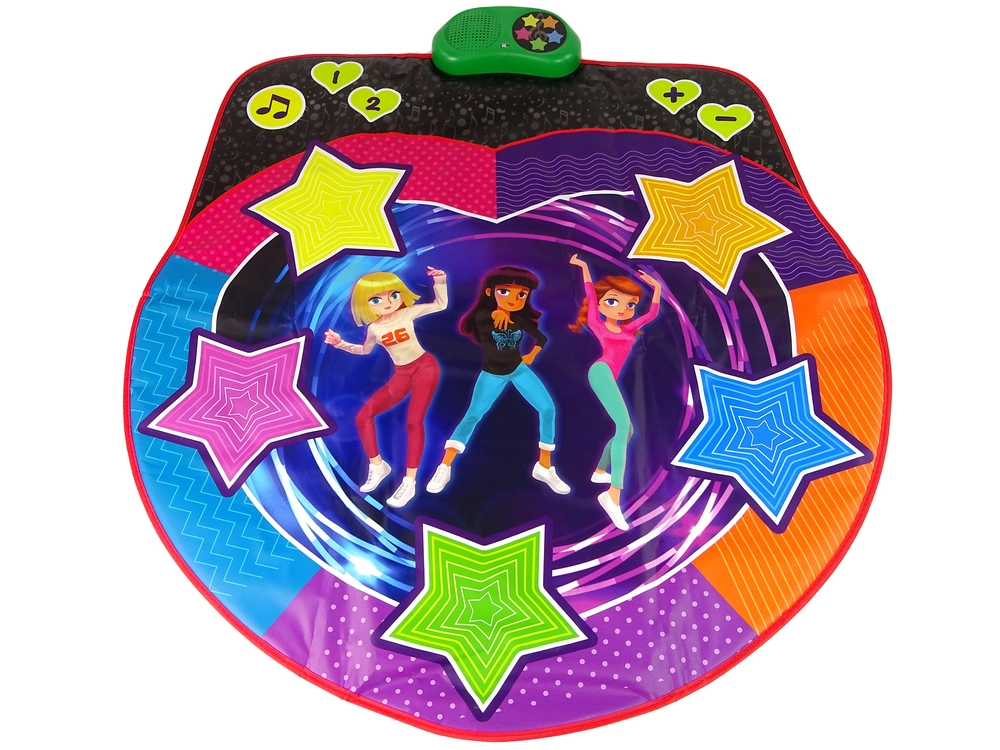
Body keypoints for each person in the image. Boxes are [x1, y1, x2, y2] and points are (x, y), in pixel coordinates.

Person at [426, 266, 569, 496]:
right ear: (490, 292)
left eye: (521, 294)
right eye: (505, 291)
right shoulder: (483, 316)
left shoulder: (518, 318)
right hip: (492, 374)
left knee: (548, 408)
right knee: (473, 415)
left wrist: (531, 355)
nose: (514, 299)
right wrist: (496, 313)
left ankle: (544, 466)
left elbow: (541, 338)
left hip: (518, 370)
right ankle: (445, 466)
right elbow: (487, 317)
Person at [324, 267, 447, 508]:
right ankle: (378, 465)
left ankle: (409, 481)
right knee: (363, 416)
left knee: (413, 422)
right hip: (402, 374)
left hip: (425, 367)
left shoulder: (408, 313)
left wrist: (440, 281)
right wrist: (341, 344)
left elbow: (440, 305)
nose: (387, 303)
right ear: (365, 304)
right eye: (376, 299)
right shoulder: (374, 328)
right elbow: (365, 350)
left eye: (393, 295)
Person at [568, 254, 661, 530]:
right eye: (613, 302)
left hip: (609, 375)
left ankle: (600, 470)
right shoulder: (598, 324)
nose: (622, 309)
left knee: (627, 430)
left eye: (630, 304)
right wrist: (583, 268)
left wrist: (656, 288)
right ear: (601, 305)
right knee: (623, 426)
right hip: (601, 372)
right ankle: (613, 495)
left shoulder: (629, 328)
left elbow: (651, 314)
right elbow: (590, 294)